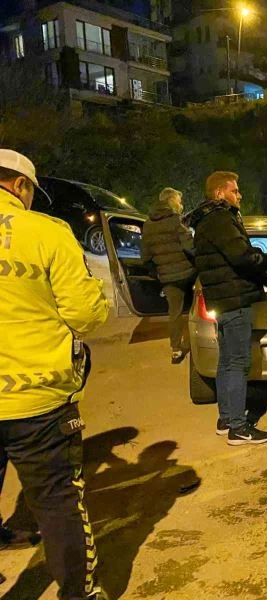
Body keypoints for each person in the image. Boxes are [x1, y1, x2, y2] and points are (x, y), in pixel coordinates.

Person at [0, 149, 109, 599]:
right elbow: (85, 314)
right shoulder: (46, 231)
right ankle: (79, 593)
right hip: (37, 400)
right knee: (58, 501)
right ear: (21, 186)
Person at [191, 171, 267, 445]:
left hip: (224, 300)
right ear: (220, 193)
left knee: (227, 361)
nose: (239, 195)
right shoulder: (220, 219)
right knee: (238, 363)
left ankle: (227, 418)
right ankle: (239, 428)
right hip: (234, 300)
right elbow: (240, 256)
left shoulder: (208, 220)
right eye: (235, 190)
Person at [140, 187, 196, 364]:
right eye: (179, 201)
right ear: (171, 201)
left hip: (167, 277)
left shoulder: (148, 225)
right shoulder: (176, 221)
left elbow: (145, 256)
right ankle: (202, 341)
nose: (181, 204)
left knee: (174, 313)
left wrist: (157, 272)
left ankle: (176, 349)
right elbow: (190, 247)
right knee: (198, 306)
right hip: (188, 273)